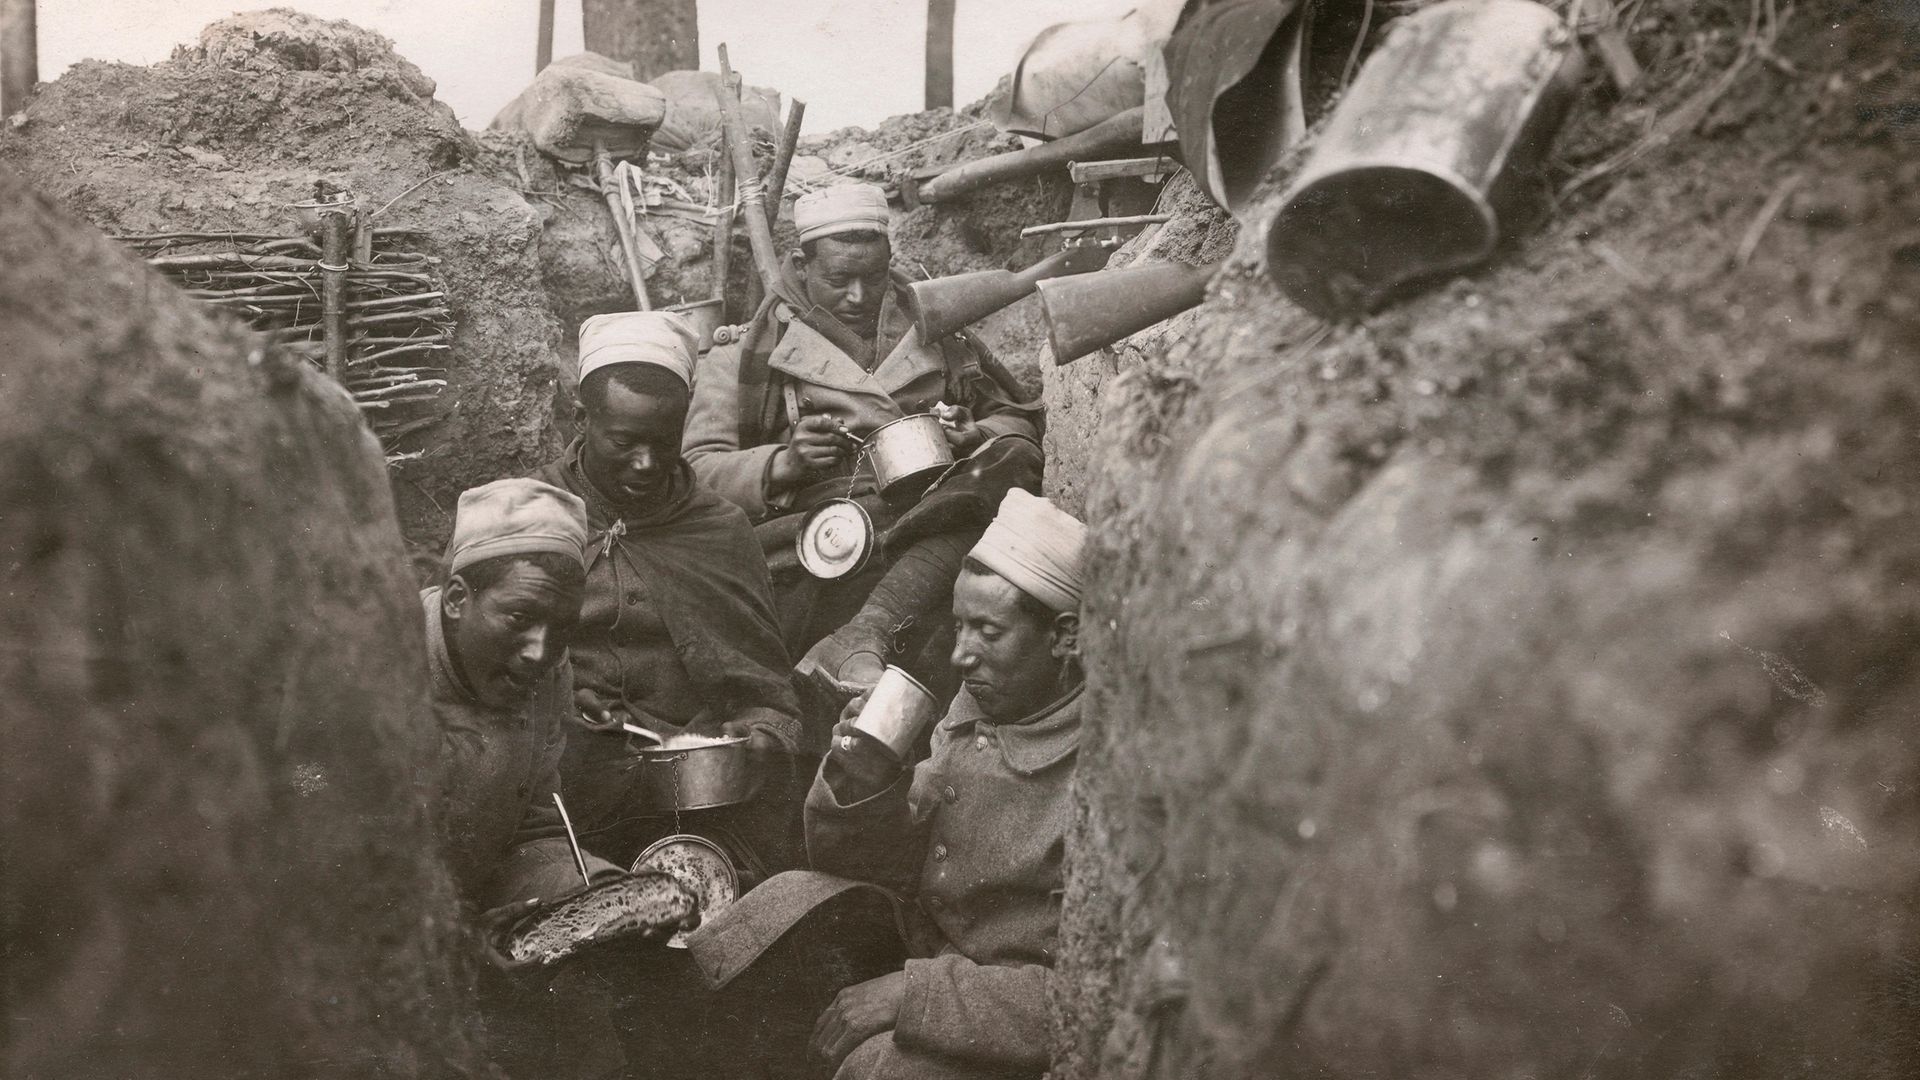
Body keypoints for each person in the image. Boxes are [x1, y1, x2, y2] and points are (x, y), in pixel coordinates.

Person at [689, 489, 1090, 1080]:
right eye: (958, 626)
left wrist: (913, 996)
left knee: (882, 1071)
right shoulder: (983, 706)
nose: (959, 655)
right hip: (932, 949)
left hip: (1010, 1009)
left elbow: (1095, 998)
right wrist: (862, 784)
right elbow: (883, 865)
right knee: (758, 927)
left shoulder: (1107, 776)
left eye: (987, 631)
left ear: (1064, 637)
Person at [683, 182, 1046, 700]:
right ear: (801, 266)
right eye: (839, 279)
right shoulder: (745, 357)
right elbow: (695, 471)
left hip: (942, 499)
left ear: (890, 262)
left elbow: (1019, 426)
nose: (857, 296)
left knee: (1009, 466)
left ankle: (867, 632)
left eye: (873, 278)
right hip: (826, 535)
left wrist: (977, 432)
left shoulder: (941, 331)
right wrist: (782, 464)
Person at [530, 309, 807, 873]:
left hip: (694, 804)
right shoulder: (528, 517)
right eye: (625, 442)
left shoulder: (718, 530)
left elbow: (767, 695)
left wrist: (760, 740)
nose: (646, 463)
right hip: (552, 800)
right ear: (581, 419)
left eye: (666, 442)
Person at [424, 477, 635, 1080]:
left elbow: (536, 825)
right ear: (457, 598)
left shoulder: (548, 672)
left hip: (474, 922)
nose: (541, 653)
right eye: (519, 617)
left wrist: (591, 892)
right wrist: (456, 942)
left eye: (561, 629)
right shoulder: (370, 669)